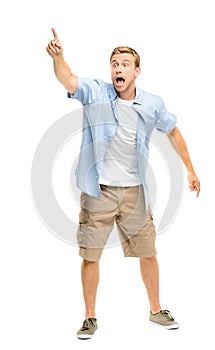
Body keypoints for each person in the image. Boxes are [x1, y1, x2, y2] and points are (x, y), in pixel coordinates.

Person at [46, 28, 200, 339]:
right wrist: (59, 58)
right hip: (97, 191)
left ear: (137, 71)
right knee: (91, 255)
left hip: (135, 194)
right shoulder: (96, 92)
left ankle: (156, 310)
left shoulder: (152, 103)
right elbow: (68, 78)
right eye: (115, 63)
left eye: (125, 64)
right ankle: (90, 317)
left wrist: (190, 169)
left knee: (148, 252)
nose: (119, 68)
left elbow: (174, 131)